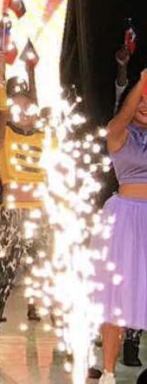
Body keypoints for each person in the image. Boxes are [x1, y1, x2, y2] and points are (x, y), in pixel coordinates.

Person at [0, 48, 48, 379]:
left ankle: (72, 346)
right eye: (18, 106)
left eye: (29, 105)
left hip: (41, 217)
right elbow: (1, 108)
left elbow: (33, 101)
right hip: (12, 215)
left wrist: (31, 72)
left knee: (53, 282)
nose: (25, 109)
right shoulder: (3, 135)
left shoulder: (42, 135)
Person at [87, 69, 147, 384]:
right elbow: (122, 117)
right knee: (116, 296)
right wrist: (143, 81)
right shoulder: (118, 131)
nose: (145, 105)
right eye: (141, 100)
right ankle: (108, 372)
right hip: (125, 217)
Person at [113, 46, 144, 369]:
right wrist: (125, 70)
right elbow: (122, 98)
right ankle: (122, 341)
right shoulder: (122, 128)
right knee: (126, 277)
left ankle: (134, 341)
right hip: (125, 204)